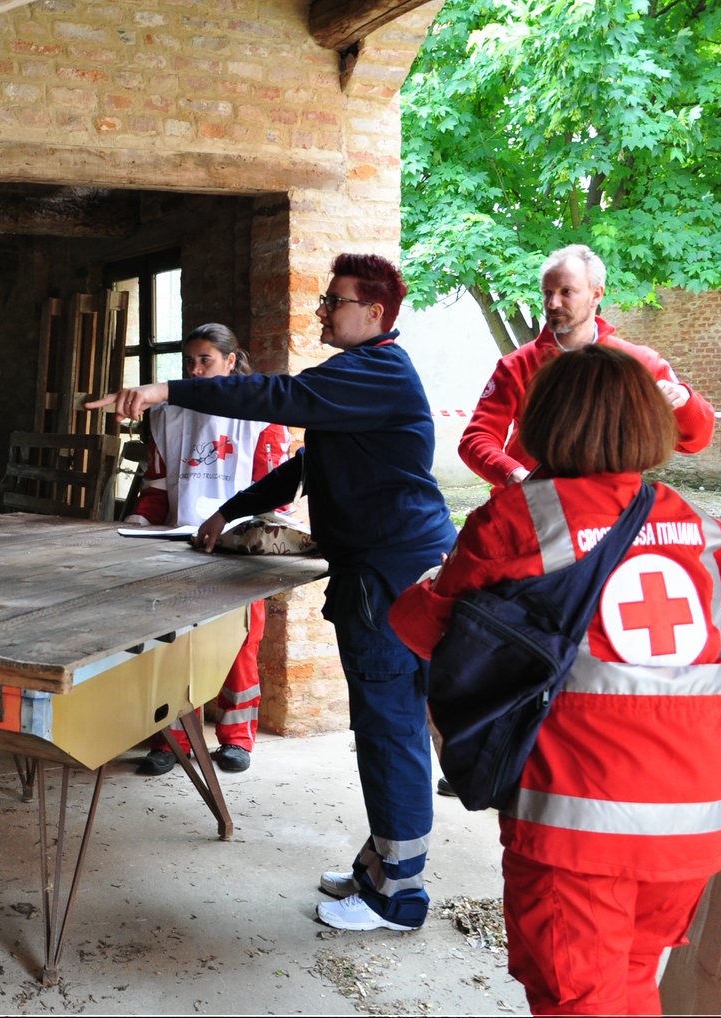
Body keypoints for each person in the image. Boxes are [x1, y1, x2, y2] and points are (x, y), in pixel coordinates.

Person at [389, 345, 721, 1018]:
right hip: (695, 823)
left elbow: (421, 627)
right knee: (634, 990)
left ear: (544, 421)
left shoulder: (521, 517)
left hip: (584, 823)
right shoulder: (705, 531)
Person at [90, 253, 455, 933]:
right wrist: (230, 510)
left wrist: (169, 389)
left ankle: (398, 896)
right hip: (376, 571)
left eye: (334, 300)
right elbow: (303, 468)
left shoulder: (373, 371)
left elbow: (277, 398)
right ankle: (382, 863)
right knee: (379, 725)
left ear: (373, 313)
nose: (323, 310)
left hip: (391, 576)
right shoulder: (364, 381)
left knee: (390, 727)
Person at [124, 323, 289, 776]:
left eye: (206, 361)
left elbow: (276, 493)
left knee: (241, 643)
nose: (196, 371)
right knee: (175, 646)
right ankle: (172, 740)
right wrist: (136, 522)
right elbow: (157, 490)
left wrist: (251, 535)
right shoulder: (164, 415)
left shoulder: (262, 417)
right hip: (178, 546)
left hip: (239, 549)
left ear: (231, 362)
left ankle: (237, 739)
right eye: (189, 362)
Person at [459, 244, 715, 487]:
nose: (552, 303)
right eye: (548, 293)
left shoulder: (640, 363)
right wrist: (513, 473)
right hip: (534, 510)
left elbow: (696, 440)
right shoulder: (516, 365)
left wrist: (684, 399)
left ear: (596, 294)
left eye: (566, 292)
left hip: (610, 515)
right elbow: (477, 438)